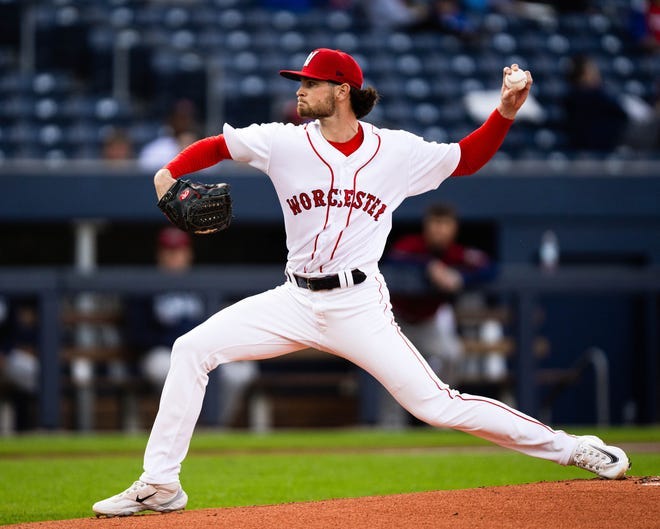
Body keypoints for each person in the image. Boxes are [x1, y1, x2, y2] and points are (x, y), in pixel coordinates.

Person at [92, 48, 630, 518]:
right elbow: (216, 147)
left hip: (357, 305)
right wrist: (168, 175)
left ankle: (569, 447)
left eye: (309, 83)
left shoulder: (394, 151)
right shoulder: (284, 142)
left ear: (341, 91)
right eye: (300, 83)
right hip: (294, 298)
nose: (300, 91)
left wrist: (505, 113)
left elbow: (465, 159)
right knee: (191, 348)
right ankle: (161, 485)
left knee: (437, 405)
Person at [363, 203, 496, 427]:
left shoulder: (456, 253)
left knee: (451, 354)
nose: (440, 230)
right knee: (390, 371)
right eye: (436, 223)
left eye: (445, 224)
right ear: (427, 225)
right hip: (397, 320)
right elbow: (394, 258)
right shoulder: (412, 245)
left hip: (429, 322)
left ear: (454, 228)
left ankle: (440, 416)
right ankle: (391, 427)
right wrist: (429, 266)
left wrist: (462, 278)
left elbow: (489, 267)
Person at [124, 227, 256, 425]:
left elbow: (220, 325)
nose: (175, 257)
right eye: (170, 251)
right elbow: (137, 335)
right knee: (163, 368)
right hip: (164, 352)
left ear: (189, 254)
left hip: (203, 351)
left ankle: (213, 428)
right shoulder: (145, 286)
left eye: (180, 251)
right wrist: (176, 340)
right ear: (160, 254)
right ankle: (185, 427)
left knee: (240, 373)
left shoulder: (202, 284)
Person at [562, 54, 628, 153]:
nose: (596, 74)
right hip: (592, 149)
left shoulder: (598, 94)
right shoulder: (580, 97)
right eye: (591, 71)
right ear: (582, 75)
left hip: (607, 145)